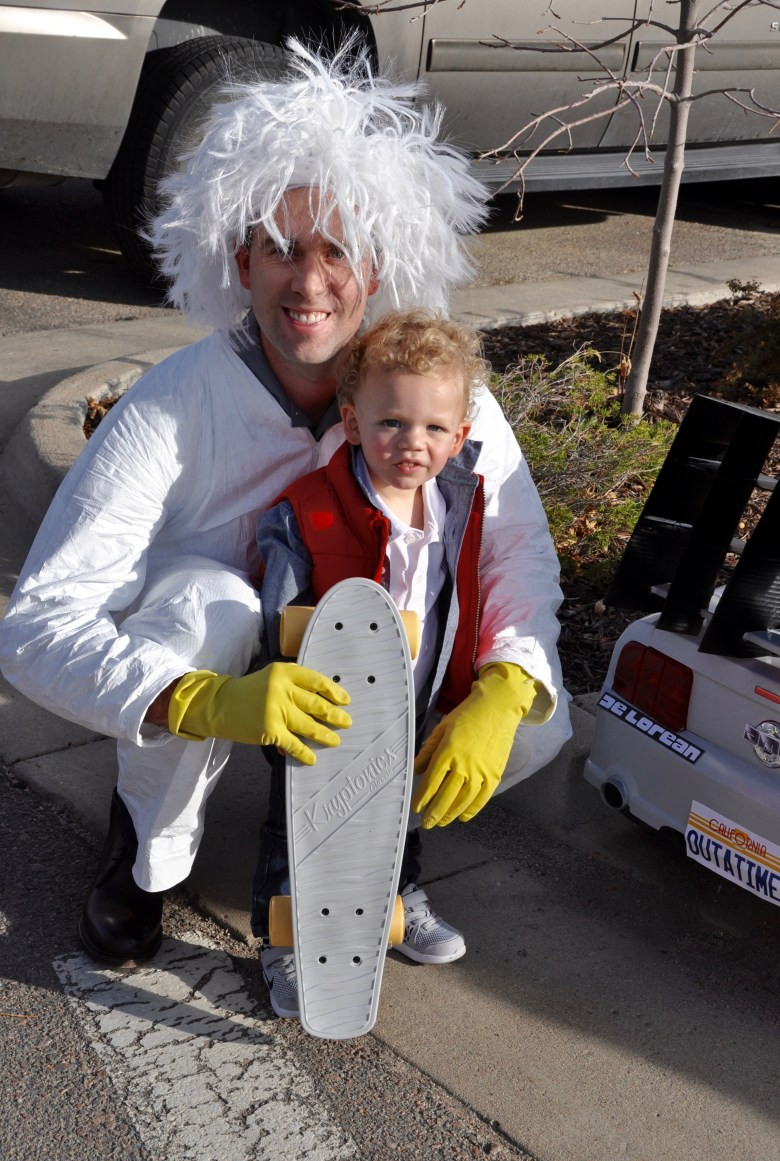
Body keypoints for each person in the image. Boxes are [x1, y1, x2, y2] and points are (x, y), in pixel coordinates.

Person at [0, 40, 570, 997]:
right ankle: (144, 854)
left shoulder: (433, 395)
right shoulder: (172, 403)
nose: (310, 283)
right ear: (240, 259)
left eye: (339, 248)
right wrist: (192, 700)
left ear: (380, 260)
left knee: (538, 719)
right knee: (205, 611)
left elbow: (519, 558)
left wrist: (506, 692)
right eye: (282, 248)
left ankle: (380, 850)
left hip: (377, 646)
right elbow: (36, 625)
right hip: (220, 650)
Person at [254, 309, 549, 1015]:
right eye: (391, 424)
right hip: (322, 710)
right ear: (352, 423)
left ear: (461, 437)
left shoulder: (459, 506)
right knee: (299, 823)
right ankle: (284, 938)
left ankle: (396, 894)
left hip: (414, 697)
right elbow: (278, 613)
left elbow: (475, 589)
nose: (412, 444)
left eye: (434, 429)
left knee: (401, 811)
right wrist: (284, 676)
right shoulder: (311, 510)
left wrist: (484, 682)